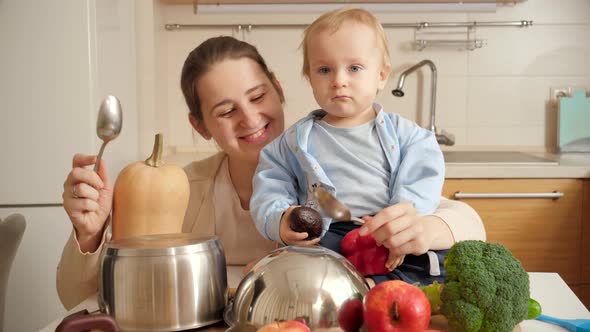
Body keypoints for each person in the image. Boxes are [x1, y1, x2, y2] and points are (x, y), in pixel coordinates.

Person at [57, 35, 485, 310]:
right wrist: (91, 236)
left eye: (258, 96)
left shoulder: (337, 166)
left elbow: (469, 223)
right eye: (225, 111)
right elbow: (80, 299)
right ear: (200, 126)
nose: (250, 119)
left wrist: (425, 228)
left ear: (279, 89)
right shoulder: (179, 191)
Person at [250, 7, 446, 285]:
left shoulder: (408, 135)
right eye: (324, 70)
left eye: (354, 68)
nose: (339, 80)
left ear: (381, 75)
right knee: (299, 264)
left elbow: (424, 174)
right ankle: (355, 288)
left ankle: (377, 286)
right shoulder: (293, 142)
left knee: (436, 263)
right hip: (329, 235)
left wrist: (401, 221)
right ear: (309, 77)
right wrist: (280, 218)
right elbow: (270, 184)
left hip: (384, 234)